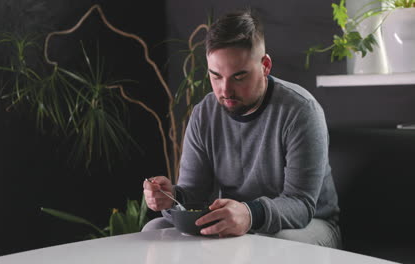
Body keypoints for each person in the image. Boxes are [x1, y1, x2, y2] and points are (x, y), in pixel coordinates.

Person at [142, 8, 341, 248]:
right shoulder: (204, 113)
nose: (225, 91)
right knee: (153, 229)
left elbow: (300, 205)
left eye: (239, 77)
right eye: (215, 76)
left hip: (311, 225)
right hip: (234, 220)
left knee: (272, 245)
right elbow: (193, 195)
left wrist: (249, 214)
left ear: (265, 65)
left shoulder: (301, 111)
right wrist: (172, 198)